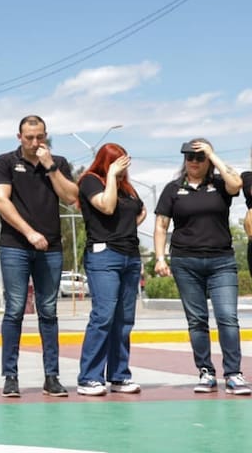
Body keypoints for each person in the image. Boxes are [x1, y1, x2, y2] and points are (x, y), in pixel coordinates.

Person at [0, 114, 78, 398]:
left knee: (49, 312)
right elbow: (0, 200)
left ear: (46, 136)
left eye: (40, 136)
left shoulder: (58, 163)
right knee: (15, 309)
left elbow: (70, 197)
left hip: (51, 247)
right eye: (29, 137)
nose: (35, 142)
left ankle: (51, 377)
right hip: (15, 245)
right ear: (19, 137)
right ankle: (10, 376)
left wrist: (50, 166)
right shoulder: (5, 162)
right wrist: (29, 233)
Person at [153, 138, 249, 395]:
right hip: (185, 262)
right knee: (197, 320)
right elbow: (161, 225)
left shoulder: (220, 185)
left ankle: (234, 374)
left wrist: (213, 154)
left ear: (208, 160)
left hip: (221, 261)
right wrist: (160, 257)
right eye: (189, 157)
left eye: (199, 157)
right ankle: (206, 372)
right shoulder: (173, 189)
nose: (193, 162)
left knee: (228, 318)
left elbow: (237, 183)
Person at [74, 143, 145, 396]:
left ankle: (119, 376)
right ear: (108, 161)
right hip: (104, 255)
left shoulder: (127, 187)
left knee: (124, 320)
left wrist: (125, 228)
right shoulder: (90, 181)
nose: (124, 168)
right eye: (119, 163)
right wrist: (112, 176)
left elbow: (141, 210)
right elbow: (106, 206)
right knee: (103, 316)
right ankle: (89, 377)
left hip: (130, 256)